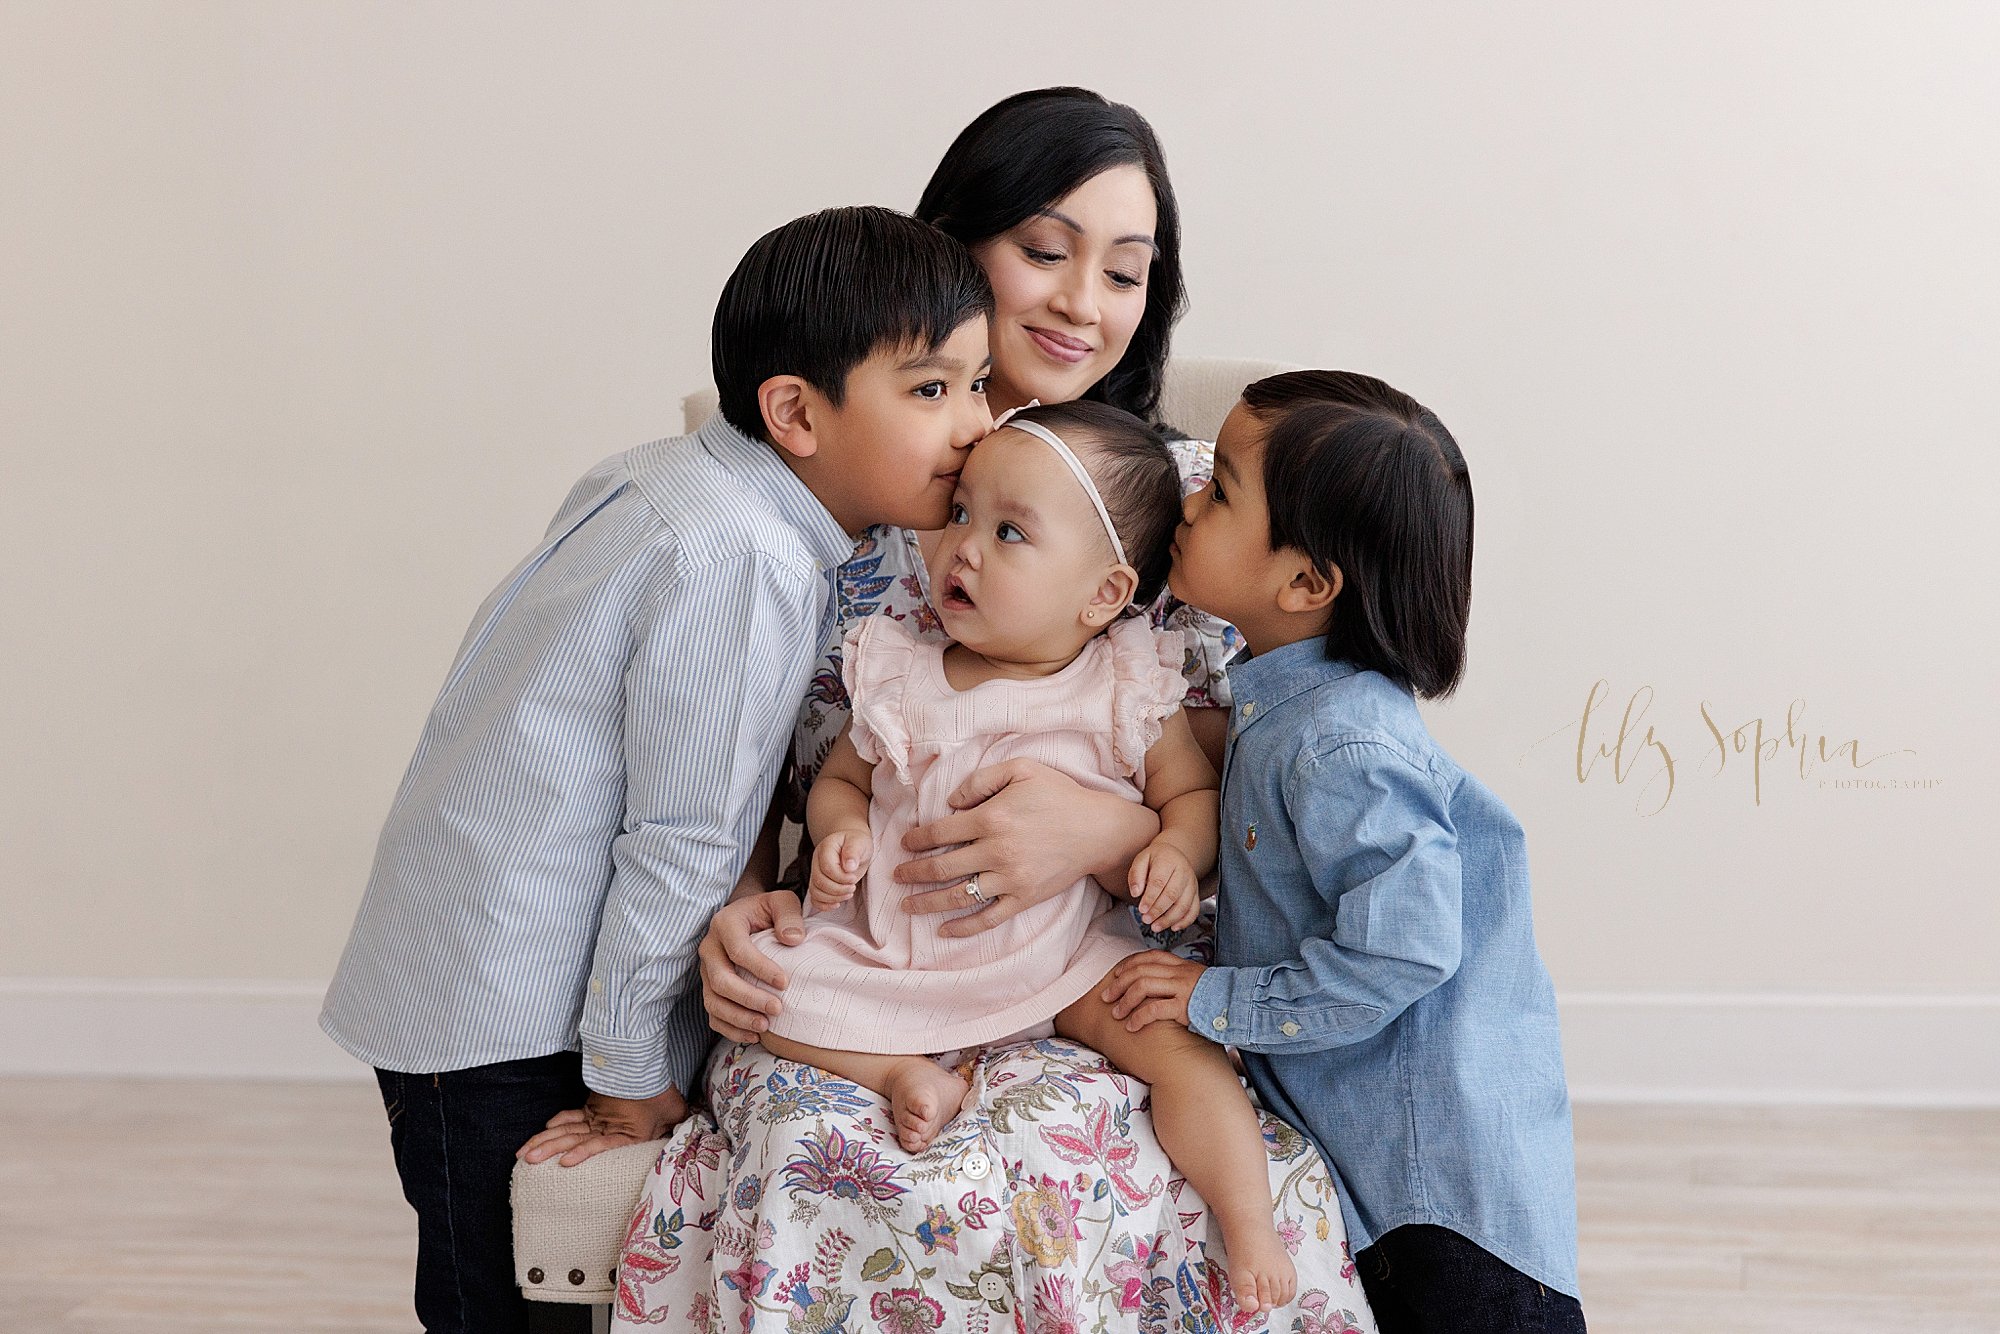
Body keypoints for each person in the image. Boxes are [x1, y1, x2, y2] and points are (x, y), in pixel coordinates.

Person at [622, 90, 1371, 1333]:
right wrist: (743, 902)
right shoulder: (837, 499)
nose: (1083, 301)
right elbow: (736, 760)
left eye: (1125, 270)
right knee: (838, 1152)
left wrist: (1108, 828)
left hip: (1092, 949)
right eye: (1042, 250)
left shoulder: (1187, 504)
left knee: (1119, 1152)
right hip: (881, 946)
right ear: (953, 245)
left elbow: (1289, 759)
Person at [318, 205, 994, 1334]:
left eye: (976, 386)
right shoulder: (744, 557)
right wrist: (631, 1075)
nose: (972, 425)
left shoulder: (664, 479)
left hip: (460, 948)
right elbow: (683, 837)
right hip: (512, 1001)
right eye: (932, 390)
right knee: (498, 1299)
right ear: (794, 412)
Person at [760, 401, 1296, 1311]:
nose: (962, 547)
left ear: (1102, 594)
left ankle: (1247, 1220)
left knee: (1182, 1051)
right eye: (961, 513)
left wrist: (1172, 847)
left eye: (1010, 532)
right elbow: (842, 781)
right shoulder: (898, 665)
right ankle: (896, 1070)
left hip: (1065, 958)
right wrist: (839, 830)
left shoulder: (1127, 680)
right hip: (902, 947)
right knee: (765, 996)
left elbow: (1193, 797)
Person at [1106, 369, 1585, 1331]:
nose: (1188, 502)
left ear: (1306, 582)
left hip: (1443, 1199)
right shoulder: (1282, 703)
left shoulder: (1343, 748)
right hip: (1393, 1175)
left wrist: (1216, 1001)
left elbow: (1404, 948)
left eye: (1221, 490)